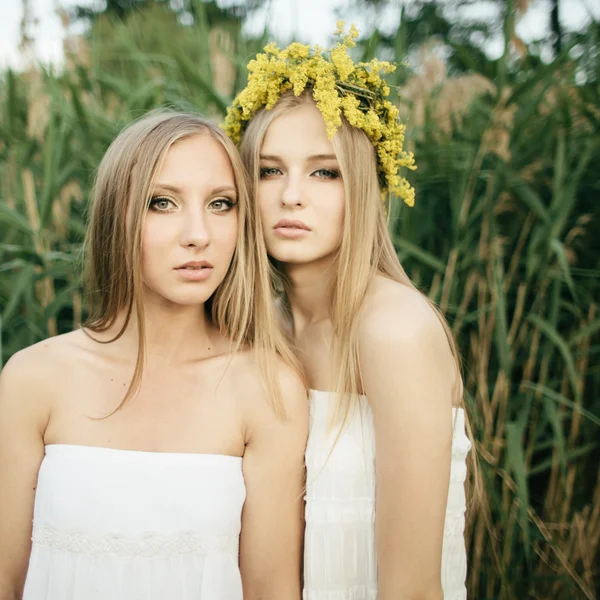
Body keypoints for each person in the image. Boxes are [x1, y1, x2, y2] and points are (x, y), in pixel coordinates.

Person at [0, 111, 308, 600]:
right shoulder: (33, 378)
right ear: (115, 215)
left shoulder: (266, 388)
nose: (198, 234)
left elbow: (270, 590)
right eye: (161, 203)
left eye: (221, 203)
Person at [224, 23, 473, 600]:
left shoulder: (392, 330)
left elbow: (411, 589)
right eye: (268, 170)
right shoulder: (264, 331)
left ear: (362, 185)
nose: (291, 195)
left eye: (324, 171)